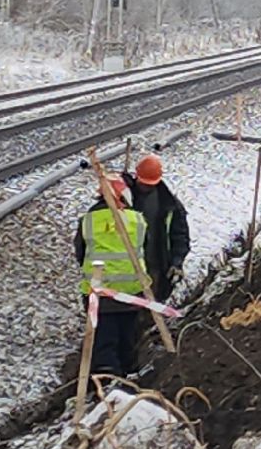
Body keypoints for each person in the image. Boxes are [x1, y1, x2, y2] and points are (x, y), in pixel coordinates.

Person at [74, 174, 149, 383]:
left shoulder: (88, 220)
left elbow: (80, 253)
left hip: (100, 291)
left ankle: (106, 378)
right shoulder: (138, 219)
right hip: (132, 291)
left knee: (104, 338)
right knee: (128, 335)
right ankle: (129, 372)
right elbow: (146, 249)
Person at [123, 154, 190, 305]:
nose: (145, 187)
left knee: (151, 306)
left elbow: (180, 236)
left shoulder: (170, 205)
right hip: (128, 267)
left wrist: (176, 262)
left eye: (149, 184)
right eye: (143, 183)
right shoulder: (125, 199)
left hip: (155, 265)